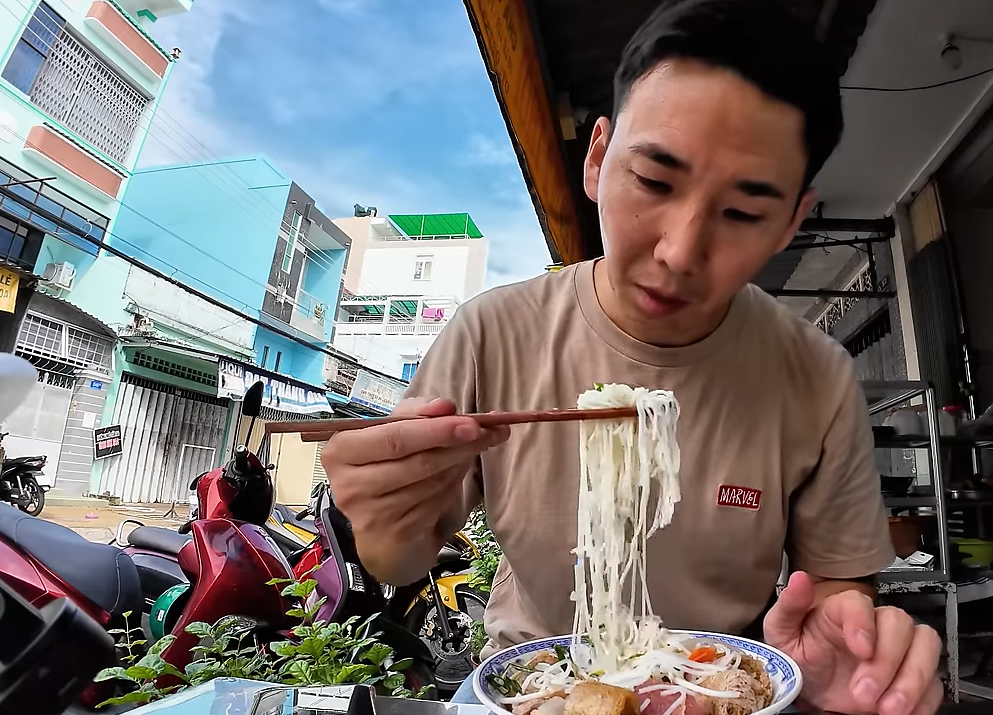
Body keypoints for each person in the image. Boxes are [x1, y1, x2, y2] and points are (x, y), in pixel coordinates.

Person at [323, 0, 943, 712]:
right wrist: (382, 519)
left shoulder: (817, 377)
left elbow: (837, 583)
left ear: (790, 225)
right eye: (654, 181)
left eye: (742, 213)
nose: (680, 252)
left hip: (712, 687)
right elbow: (399, 559)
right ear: (596, 160)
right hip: (529, 688)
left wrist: (847, 650)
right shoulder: (493, 332)